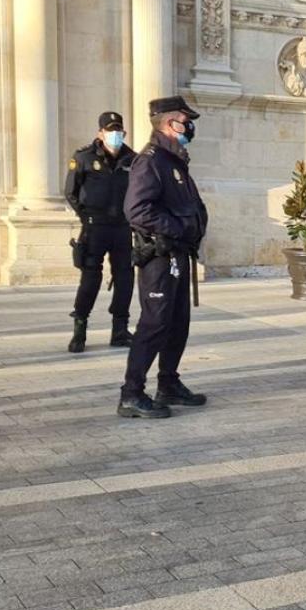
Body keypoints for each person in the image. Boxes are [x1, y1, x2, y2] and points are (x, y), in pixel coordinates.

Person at [118, 96, 209, 420]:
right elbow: (137, 210)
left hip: (177, 255)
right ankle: (131, 393)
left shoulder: (174, 160)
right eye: (186, 121)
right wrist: (177, 228)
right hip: (159, 256)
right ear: (171, 123)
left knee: (177, 322)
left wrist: (190, 228)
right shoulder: (151, 160)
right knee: (154, 323)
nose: (190, 127)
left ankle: (168, 383)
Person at [64, 111, 136, 353]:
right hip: (95, 227)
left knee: (125, 278)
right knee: (90, 278)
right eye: (110, 130)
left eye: (118, 130)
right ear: (100, 133)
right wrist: (86, 217)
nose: (115, 134)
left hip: (122, 228)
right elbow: (71, 192)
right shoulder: (84, 157)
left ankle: (120, 330)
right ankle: (80, 330)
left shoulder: (132, 159)